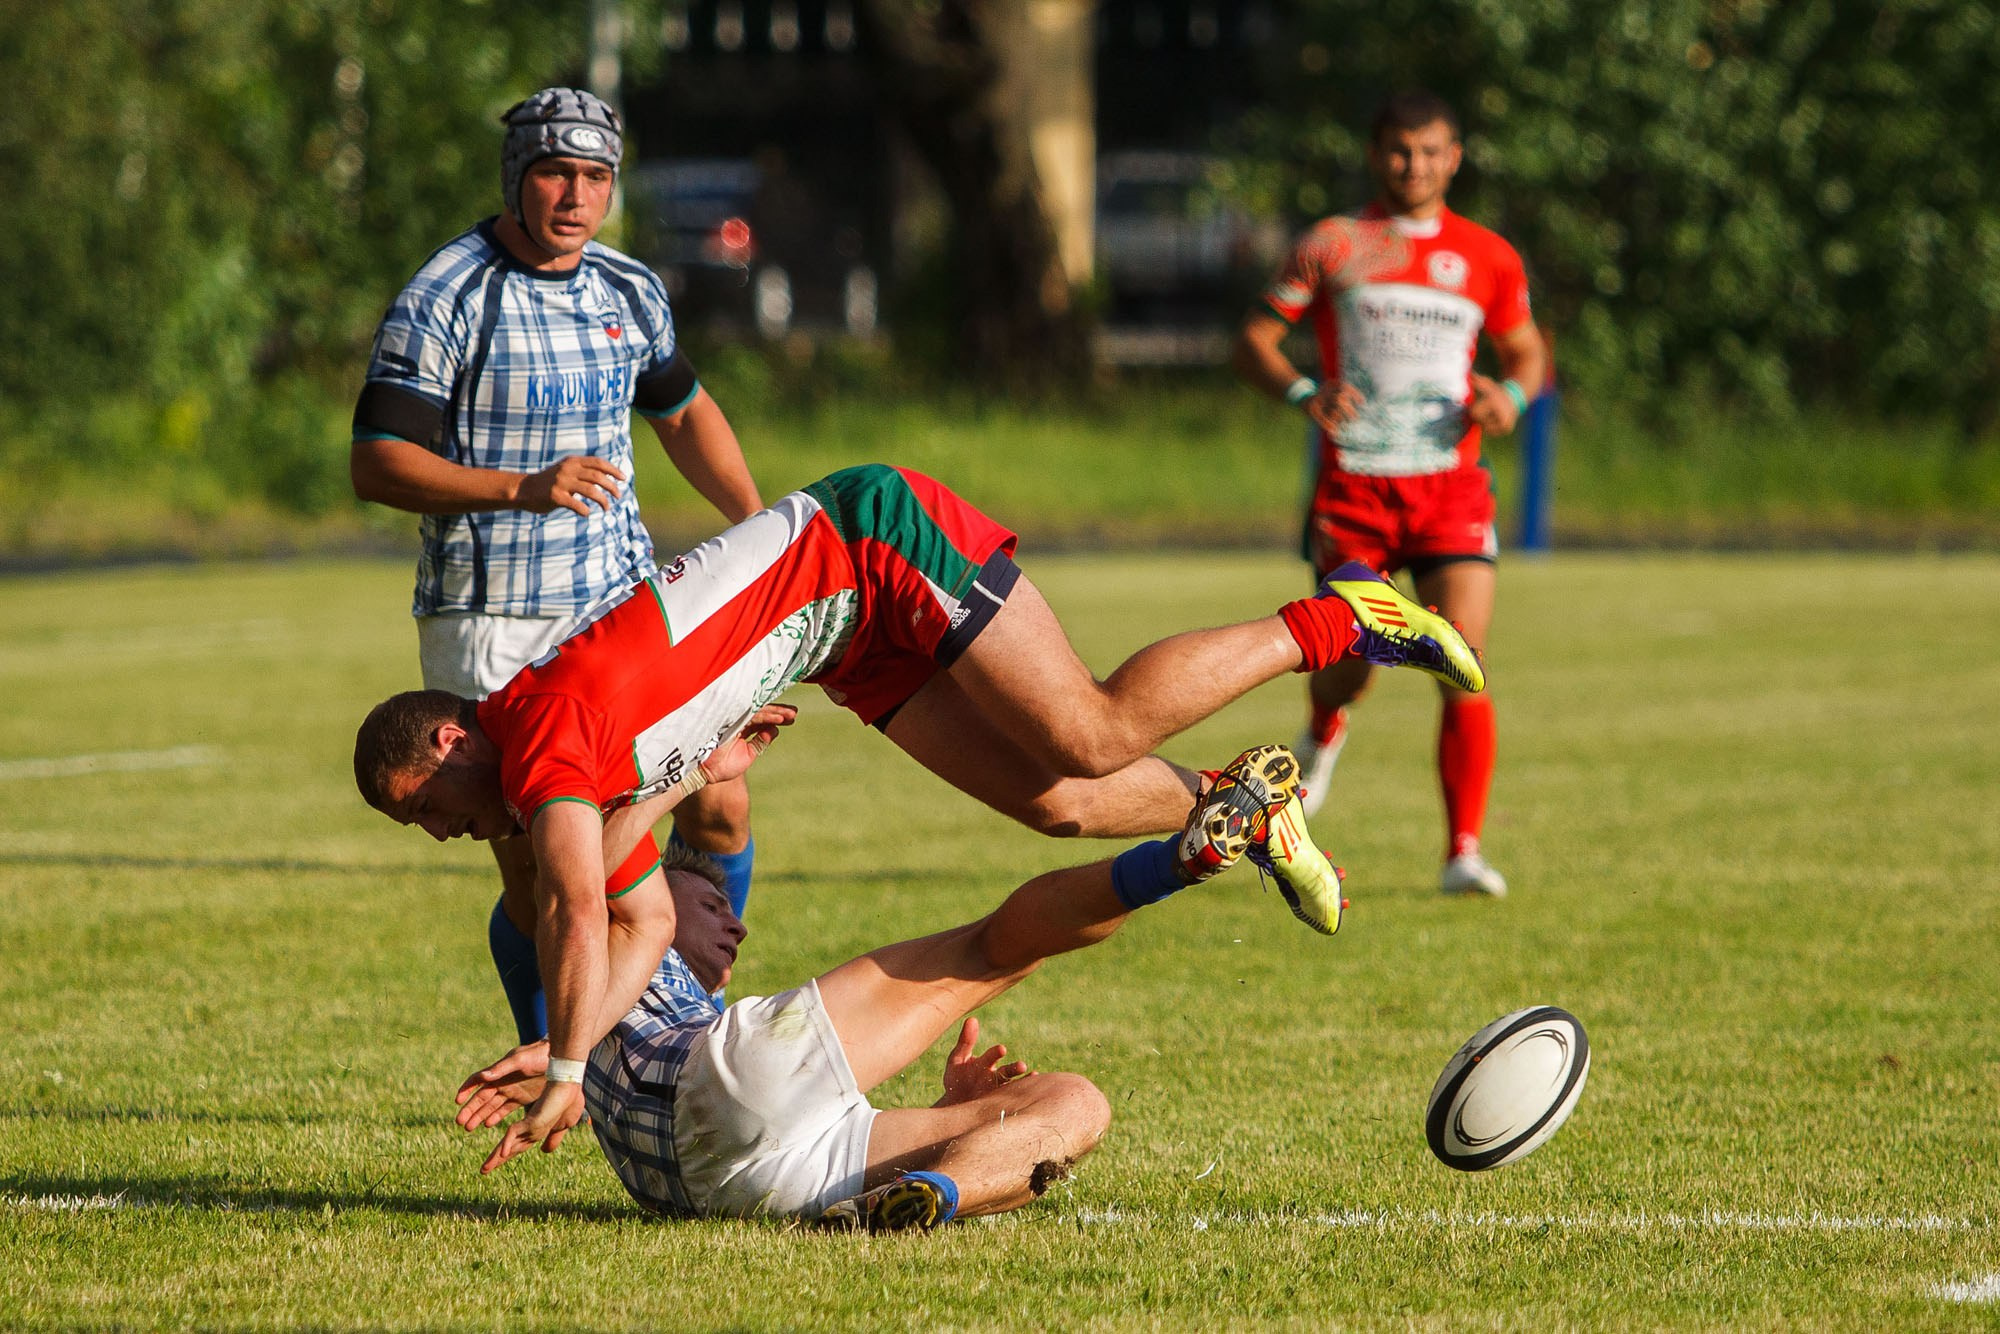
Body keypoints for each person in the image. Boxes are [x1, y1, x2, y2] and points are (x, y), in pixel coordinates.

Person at [355, 461, 1485, 1169]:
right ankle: (1246, 806)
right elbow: (639, 925)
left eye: (427, 807)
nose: (440, 831)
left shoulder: (539, 736)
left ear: (453, 737)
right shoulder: (553, 755)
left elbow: (569, 896)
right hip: (838, 634)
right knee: (1056, 804)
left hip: (868, 543)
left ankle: (1342, 619)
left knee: (1087, 734)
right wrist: (567, 1040)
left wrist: (562, 1074)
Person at [451, 745, 1348, 1224]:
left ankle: (938, 1197)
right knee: (997, 951)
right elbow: (588, 858)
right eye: (704, 914)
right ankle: (1176, 863)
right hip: (715, 1089)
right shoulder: (578, 916)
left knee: (1076, 1105)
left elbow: (718, 829)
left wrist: (710, 770)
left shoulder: (632, 963)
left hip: (732, 1186)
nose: (734, 925)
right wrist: (691, 758)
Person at [348, 87, 766, 1043]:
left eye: (595, 176)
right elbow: (377, 462)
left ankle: (678, 1005)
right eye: (554, 173)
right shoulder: (443, 295)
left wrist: (756, 526)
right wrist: (519, 488)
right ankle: (565, 1067)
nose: (575, 195)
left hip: (620, 603)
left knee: (721, 794)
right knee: (545, 865)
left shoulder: (628, 288)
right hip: (490, 616)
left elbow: (684, 410)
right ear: (516, 178)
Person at [1232, 89, 1546, 899]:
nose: (1416, 166)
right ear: (1377, 156)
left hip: (1450, 489)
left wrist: (1508, 399)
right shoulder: (1337, 244)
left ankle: (1463, 852)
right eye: (1400, 151)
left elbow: (1527, 355)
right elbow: (1256, 339)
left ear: (1455, 158)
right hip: (1357, 490)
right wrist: (1305, 392)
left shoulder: (1488, 256)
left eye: (1432, 151)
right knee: (1352, 666)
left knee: (1463, 660)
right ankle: (1322, 729)